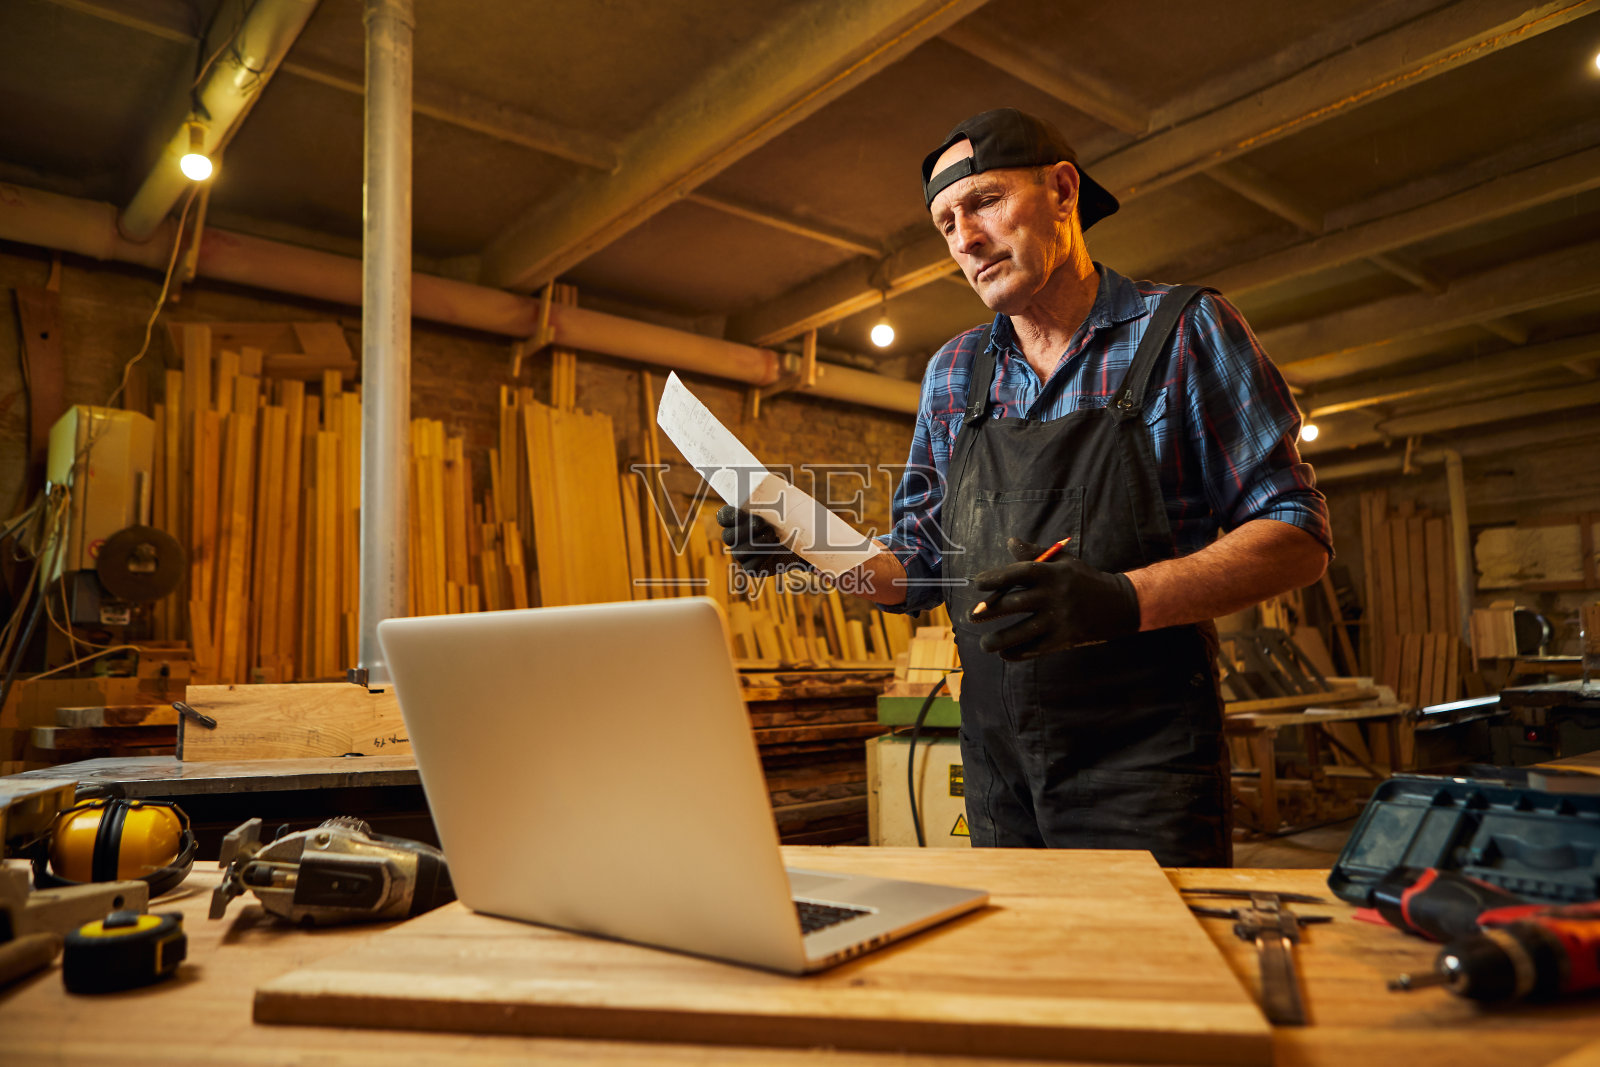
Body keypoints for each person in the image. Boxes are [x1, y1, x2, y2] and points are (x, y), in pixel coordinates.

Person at [720, 108, 1331, 867]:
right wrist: (807, 551)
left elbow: (1298, 537)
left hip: (1146, 762)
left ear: (1064, 193)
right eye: (946, 223)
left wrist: (1122, 599)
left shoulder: (1185, 332)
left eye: (984, 202)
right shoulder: (954, 371)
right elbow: (918, 566)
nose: (966, 239)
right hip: (998, 769)